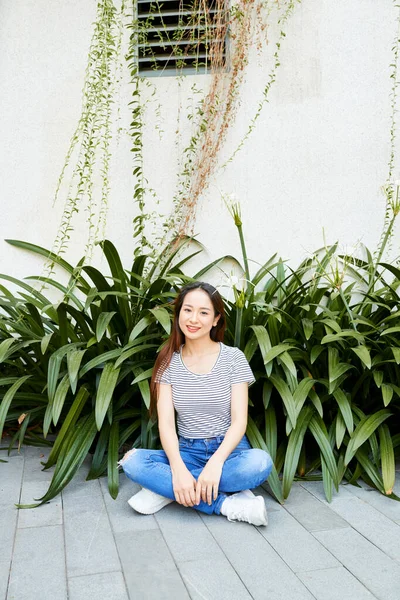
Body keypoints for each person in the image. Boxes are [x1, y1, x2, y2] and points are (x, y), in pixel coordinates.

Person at [119, 281, 273, 526]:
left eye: (203, 312)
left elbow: (239, 422)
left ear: (215, 319)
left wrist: (215, 463)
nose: (193, 318)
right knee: (132, 462)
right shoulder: (168, 362)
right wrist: (179, 470)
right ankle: (226, 504)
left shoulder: (233, 358)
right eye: (187, 310)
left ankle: (170, 491)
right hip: (186, 452)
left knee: (260, 463)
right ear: (179, 313)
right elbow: (167, 426)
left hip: (230, 451)